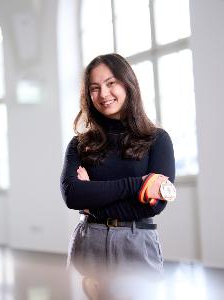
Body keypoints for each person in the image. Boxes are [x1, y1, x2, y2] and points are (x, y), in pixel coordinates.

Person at [60, 53, 175, 276]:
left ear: (128, 84)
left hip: (137, 244)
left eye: (110, 83)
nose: (103, 94)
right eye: (94, 88)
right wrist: (138, 185)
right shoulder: (79, 144)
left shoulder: (158, 140)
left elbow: (154, 205)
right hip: (88, 243)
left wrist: (91, 204)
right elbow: (72, 195)